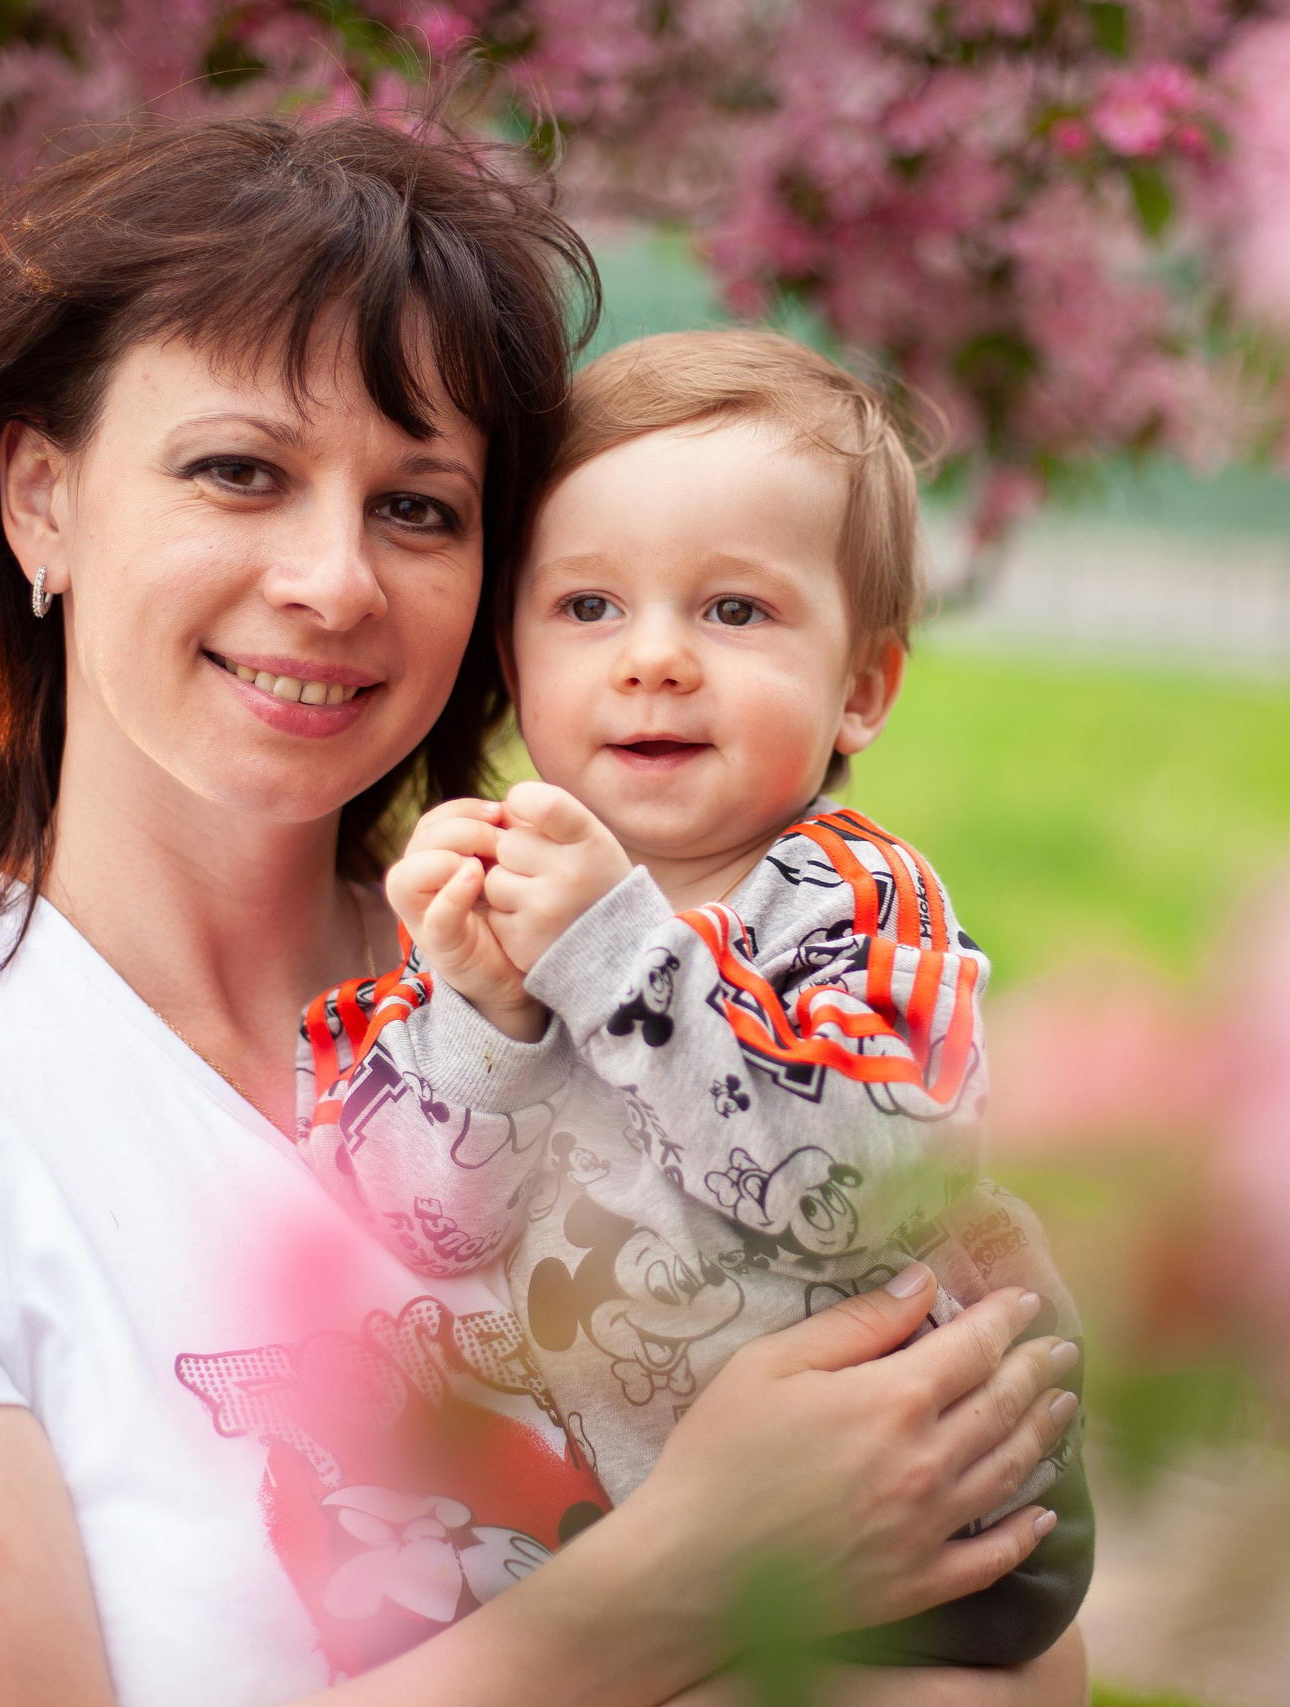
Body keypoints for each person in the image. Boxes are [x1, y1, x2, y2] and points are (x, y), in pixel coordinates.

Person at [0, 115, 1089, 1707]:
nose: (334, 580)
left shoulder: (672, 997)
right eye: (240, 471)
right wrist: (690, 1579)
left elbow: (1004, 1633)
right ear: (41, 499)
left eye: (419, 508)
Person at [294, 333, 1092, 1667]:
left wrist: (616, 954)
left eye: (734, 612)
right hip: (622, 1553)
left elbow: (855, 1186)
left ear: (864, 686)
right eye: (590, 608)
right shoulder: (489, 908)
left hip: (907, 1551)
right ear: (514, 656)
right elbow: (416, 1224)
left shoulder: (852, 904)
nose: (655, 658)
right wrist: (480, 1019)